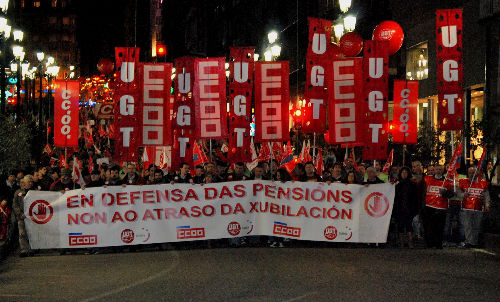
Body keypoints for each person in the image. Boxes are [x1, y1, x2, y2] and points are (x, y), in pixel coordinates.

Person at [457, 166, 490, 248]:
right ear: (467, 173)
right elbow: (458, 193)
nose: (472, 174)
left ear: (477, 173)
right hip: (466, 208)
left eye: (473, 172)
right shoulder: (463, 182)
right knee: (467, 226)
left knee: (476, 226)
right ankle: (469, 242)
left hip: (478, 208)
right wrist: (463, 195)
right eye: (470, 173)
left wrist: (487, 205)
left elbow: (486, 195)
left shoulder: (483, 183)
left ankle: (474, 242)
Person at [422, 165, 453, 249]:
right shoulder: (427, 179)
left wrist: (445, 193)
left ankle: (438, 243)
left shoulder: (447, 181)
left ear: (443, 171)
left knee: (440, 226)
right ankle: (430, 243)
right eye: (437, 169)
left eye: (440, 169)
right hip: (429, 206)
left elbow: (451, 194)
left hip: (441, 207)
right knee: (429, 226)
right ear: (434, 170)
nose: (438, 171)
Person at [394, 167, 418, 248]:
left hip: (409, 208)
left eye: (406, 172)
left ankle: (410, 241)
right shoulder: (397, 184)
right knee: (400, 225)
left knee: (409, 225)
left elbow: (415, 197)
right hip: (399, 208)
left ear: (408, 174)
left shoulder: (413, 184)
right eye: (402, 172)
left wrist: (414, 208)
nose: (404, 174)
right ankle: (401, 242)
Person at [12, 175, 34, 257]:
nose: (30, 183)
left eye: (31, 182)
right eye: (29, 181)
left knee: (31, 233)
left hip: (32, 217)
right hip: (21, 217)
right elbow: (15, 205)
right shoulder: (18, 192)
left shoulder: (34, 192)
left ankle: (31, 249)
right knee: (22, 233)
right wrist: (20, 214)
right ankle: (24, 250)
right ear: (24, 183)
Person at [411, 161, 426, 240]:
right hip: (414, 202)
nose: (415, 168)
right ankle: (416, 235)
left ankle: (424, 236)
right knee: (415, 220)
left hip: (424, 202)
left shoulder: (425, 177)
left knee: (424, 220)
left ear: (421, 166)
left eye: (417, 166)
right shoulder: (410, 178)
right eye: (413, 166)